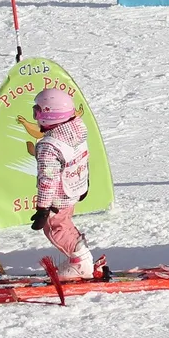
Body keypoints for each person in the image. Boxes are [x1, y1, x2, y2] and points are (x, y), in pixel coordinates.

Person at [29, 88, 97, 281]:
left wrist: (43, 208)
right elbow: (82, 157)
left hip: (58, 197)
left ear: (49, 114)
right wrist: (84, 184)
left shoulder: (49, 146)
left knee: (55, 228)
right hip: (73, 188)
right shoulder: (77, 130)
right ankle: (80, 256)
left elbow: (48, 179)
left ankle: (81, 263)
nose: (35, 117)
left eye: (37, 111)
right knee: (64, 224)